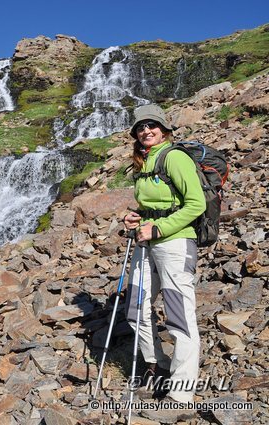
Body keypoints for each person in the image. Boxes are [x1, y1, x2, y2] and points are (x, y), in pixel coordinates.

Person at [122, 104, 206, 422]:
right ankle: (160, 366)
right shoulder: (145, 162)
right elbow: (152, 204)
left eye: (152, 124)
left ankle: (181, 394)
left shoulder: (175, 157)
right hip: (147, 244)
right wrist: (137, 216)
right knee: (135, 307)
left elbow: (195, 203)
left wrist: (158, 227)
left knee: (179, 316)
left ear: (164, 128)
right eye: (140, 126)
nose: (146, 130)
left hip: (174, 244)